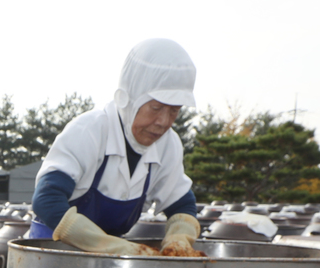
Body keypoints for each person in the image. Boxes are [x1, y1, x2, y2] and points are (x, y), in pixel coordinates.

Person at [28, 38, 201, 256]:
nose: (164, 122)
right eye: (155, 107)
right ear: (127, 99)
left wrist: (179, 240)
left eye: (174, 111)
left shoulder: (168, 145)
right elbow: (46, 199)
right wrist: (111, 247)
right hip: (52, 254)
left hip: (110, 263)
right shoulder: (90, 131)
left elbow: (182, 203)